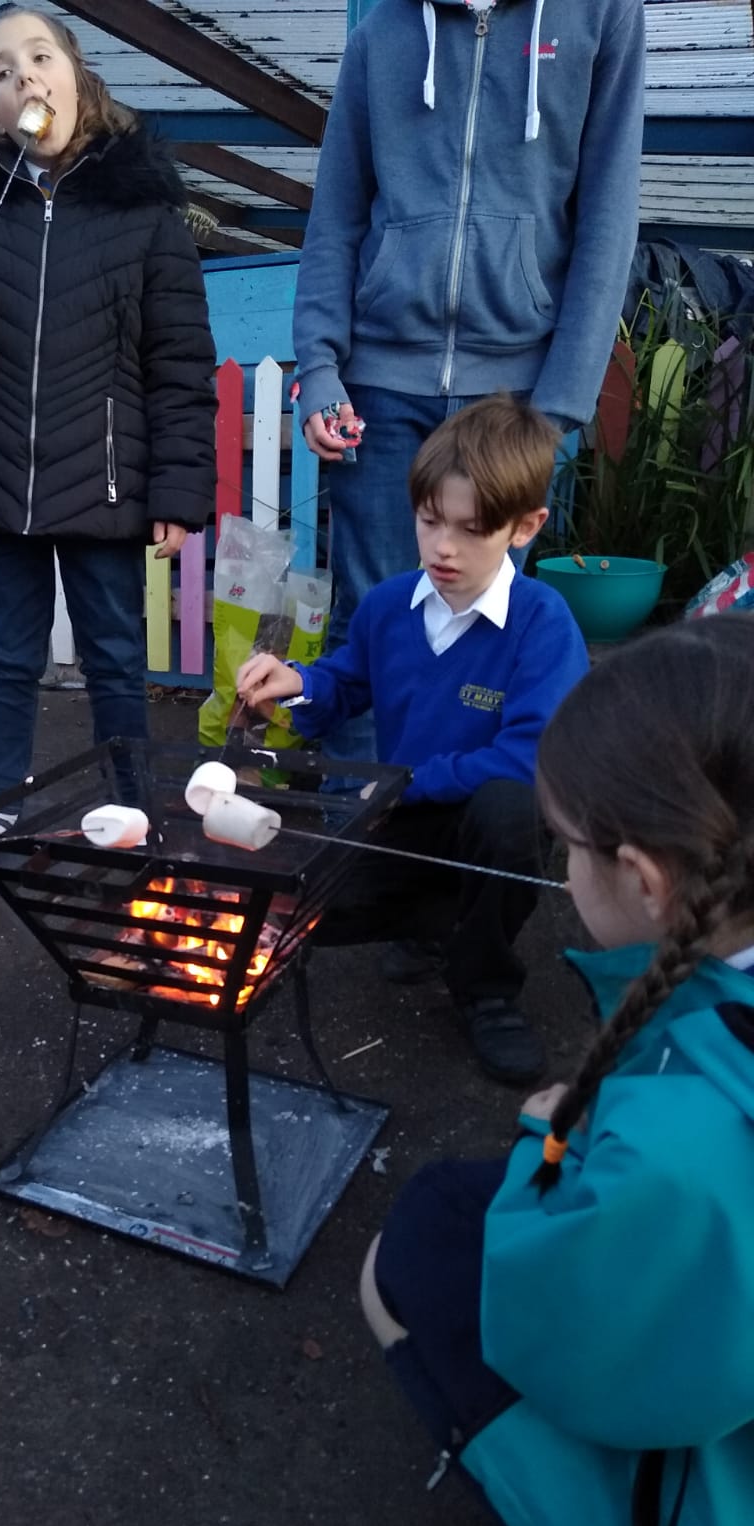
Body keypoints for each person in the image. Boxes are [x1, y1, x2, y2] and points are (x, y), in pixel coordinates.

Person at [360, 614, 754, 1526]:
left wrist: (558, 1135)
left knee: (417, 1246)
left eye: (567, 845)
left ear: (648, 882)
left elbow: (561, 1333)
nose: (558, 866)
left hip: (715, 1525)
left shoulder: (678, 1151)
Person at [0, 3, 216, 848]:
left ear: (77, 76)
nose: (25, 76)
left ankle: (132, 807)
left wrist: (177, 490)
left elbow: (179, 364)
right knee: (6, 659)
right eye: (2, 70)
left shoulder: (145, 213)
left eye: (40, 57)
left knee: (112, 655)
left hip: (102, 484)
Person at [292, 0, 645, 763]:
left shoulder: (600, 16)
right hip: (378, 386)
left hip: (516, 396)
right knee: (371, 620)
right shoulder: (381, 33)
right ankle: (357, 841)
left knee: (496, 636)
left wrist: (555, 410)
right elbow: (336, 214)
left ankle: (467, 837)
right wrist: (320, 368)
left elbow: (609, 216)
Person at [235, 395, 588, 1082]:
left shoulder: (543, 622)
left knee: (509, 808)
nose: (443, 547)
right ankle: (434, 921)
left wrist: (406, 784)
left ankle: (486, 987)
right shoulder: (390, 605)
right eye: (430, 522)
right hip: (400, 813)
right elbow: (348, 681)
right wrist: (299, 682)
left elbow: (529, 755)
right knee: (312, 914)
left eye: (471, 528)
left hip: (482, 819)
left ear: (525, 526)